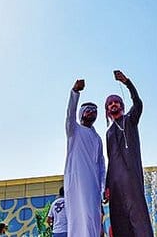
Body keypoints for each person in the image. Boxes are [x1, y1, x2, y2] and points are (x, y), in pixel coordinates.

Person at [104, 70, 153, 236]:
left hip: (131, 177)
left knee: (138, 215)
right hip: (116, 183)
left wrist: (127, 82)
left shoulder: (130, 120)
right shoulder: (109, 132)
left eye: (116, 102)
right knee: (119, 219)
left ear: (121, 105)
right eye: (110, 104)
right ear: (107, 110)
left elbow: (138, 103)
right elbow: (110, 159)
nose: (113, 105)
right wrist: (107, 185)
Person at [64, 79, 106, 236]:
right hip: (76, 182)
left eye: (95, 111)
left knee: (93, 218)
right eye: (88, 110)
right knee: (78, 218)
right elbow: (69, 114)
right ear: (81, 113)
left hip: (93, 185)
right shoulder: (74, 130)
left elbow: (101, 165)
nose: (92, 113)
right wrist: (75, 92)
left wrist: (103, 187)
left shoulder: (97, 138)